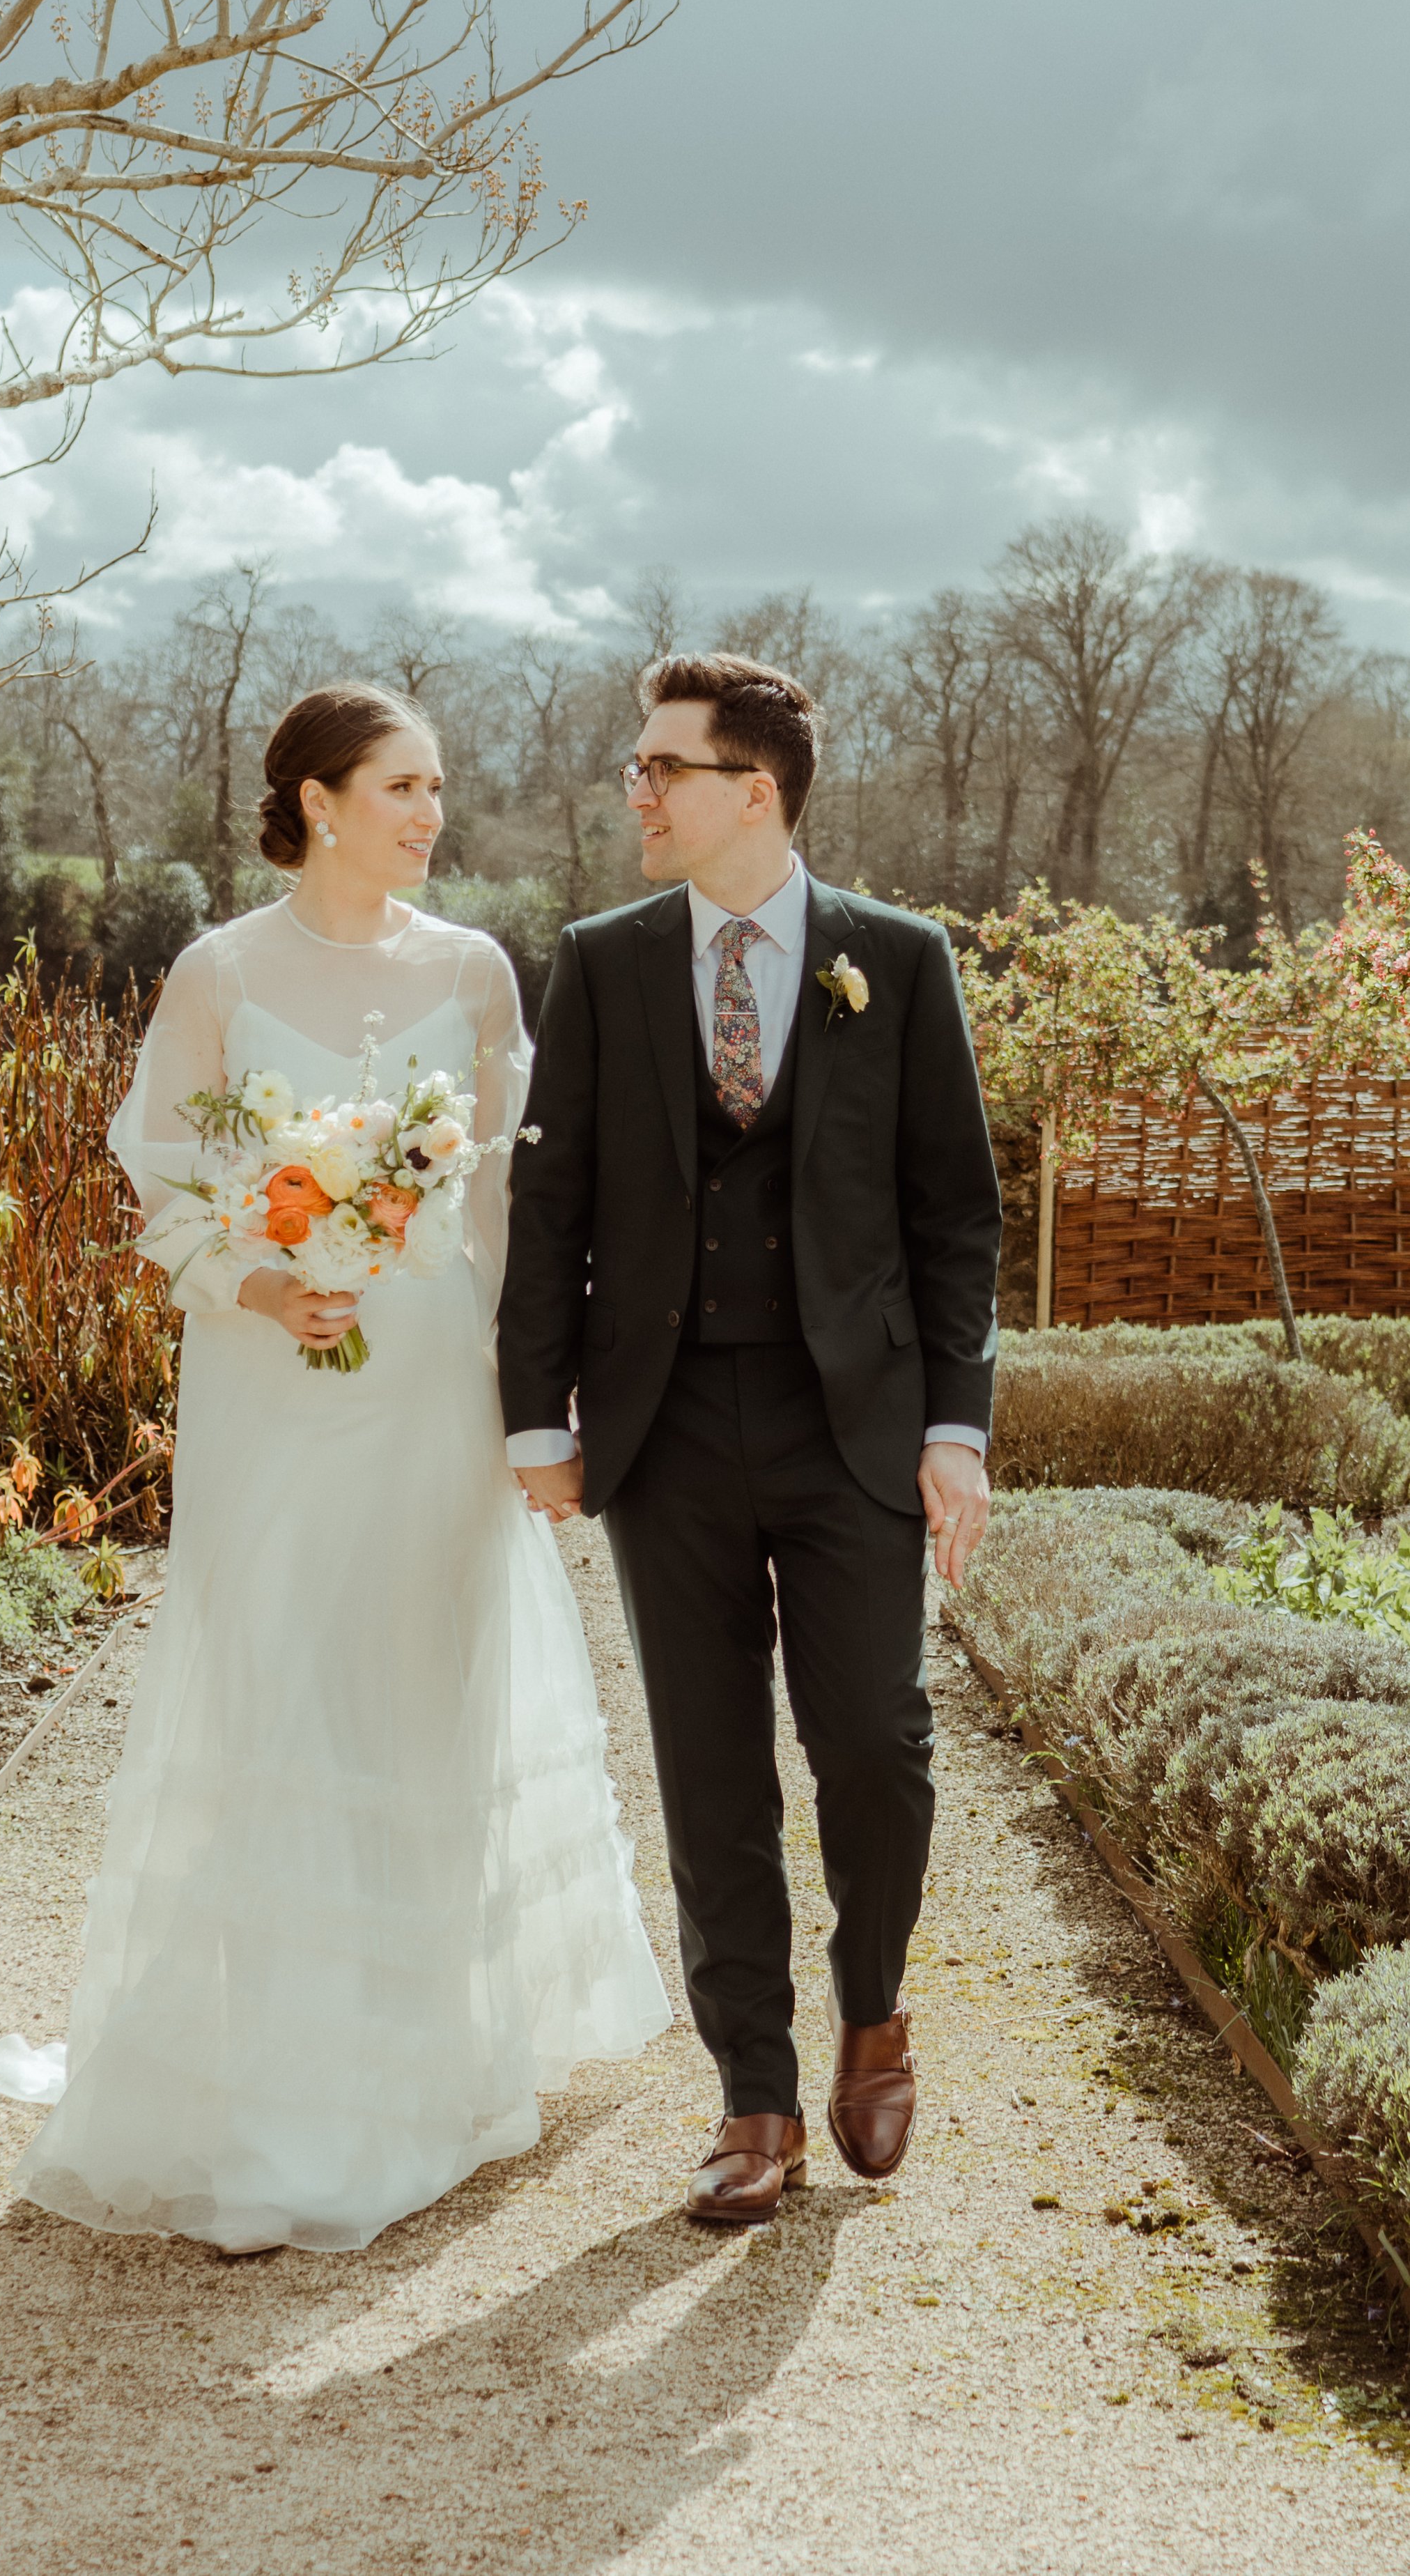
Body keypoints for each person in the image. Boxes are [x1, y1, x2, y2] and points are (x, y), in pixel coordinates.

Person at [0, 684, 669, 2253]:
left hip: (431, 1381)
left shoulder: (476, 969)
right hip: (272, 1385)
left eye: (438, 785)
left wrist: (530, 1393)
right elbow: (158, 1180)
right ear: (317, 798)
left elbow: (512, 1206)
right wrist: (262, 1279)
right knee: (280, 1683)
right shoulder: (218, 971)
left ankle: (430, 2058)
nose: (432, 813)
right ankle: (287, 2091)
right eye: (403, 785)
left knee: (422, 1683)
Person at [498, 653, 1002, 2223]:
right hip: (661, 1425)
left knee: (872, 1740)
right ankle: (755, 2098)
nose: (634, 789)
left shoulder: (897, 962)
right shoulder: (603, 958)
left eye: (662, 766)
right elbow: (553, 1199)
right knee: (708, 1768)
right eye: (638, 766)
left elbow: (953, 1216)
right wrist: (534, 1407)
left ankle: (872, 2008)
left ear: (752, 791)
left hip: (846, 1418)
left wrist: (955, 1427)